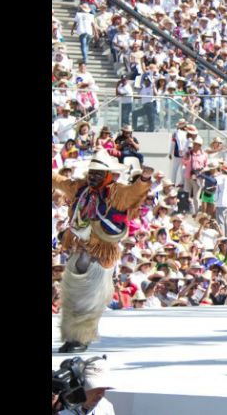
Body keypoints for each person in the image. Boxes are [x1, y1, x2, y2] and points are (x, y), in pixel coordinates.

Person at [52, 150, 153, 353]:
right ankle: (71, 337)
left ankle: (81, 339)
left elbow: (135, 194)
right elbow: (59, 181)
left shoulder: (117, 193)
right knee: (72, 298)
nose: (93, 177)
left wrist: (144, 179)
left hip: (101, 254)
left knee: (89, 299)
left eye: (99, 174)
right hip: (79, 249)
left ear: (108, 175)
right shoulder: (80, 189)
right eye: (92, 173)